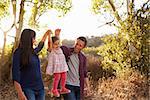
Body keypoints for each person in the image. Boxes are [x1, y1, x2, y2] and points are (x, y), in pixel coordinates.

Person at [12, 29, 50, 100]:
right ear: (28, 39)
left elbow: (40, 46)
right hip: (27, 89)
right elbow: (15, 74)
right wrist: (20, 92)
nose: (34, 40)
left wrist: (46, 34)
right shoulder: (18, 53)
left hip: (40, 88)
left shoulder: (33, 52)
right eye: (33, 38)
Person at [46, 29, 70, 97]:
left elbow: (58, 40)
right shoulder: (52, 50)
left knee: (64, 76)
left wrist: (57, 34)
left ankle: (62, 88)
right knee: (57, 77)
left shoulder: (59, 49)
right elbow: (50, 43)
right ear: (52, 45)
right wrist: (49, 35)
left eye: (58, 44)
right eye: (55, 44)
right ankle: (54, 89)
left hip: (62, 66)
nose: (57, 45)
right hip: (56, 67)